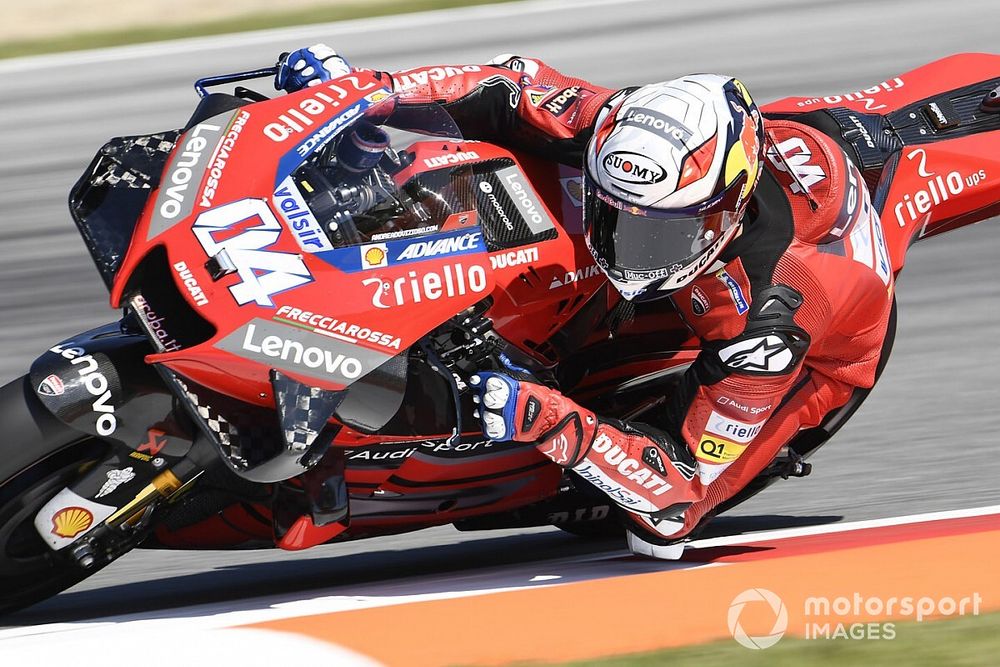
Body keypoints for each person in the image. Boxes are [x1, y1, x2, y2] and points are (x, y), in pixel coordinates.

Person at [274, 45, 896, 558]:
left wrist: (541, 417)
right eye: (617, 218)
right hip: (733, 228)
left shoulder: (769, 323)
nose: (632, 248)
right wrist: (362, 92)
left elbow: (673, 501)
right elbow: (508, 82)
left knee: (655, 528)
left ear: (725, 212)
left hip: (812, 360)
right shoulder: (621, 125)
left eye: (661, 233)